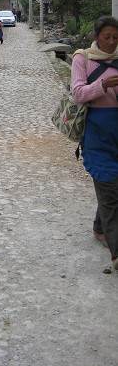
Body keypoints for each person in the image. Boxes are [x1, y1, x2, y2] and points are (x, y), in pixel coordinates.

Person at [71, 16, 118, 271]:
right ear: (97, 36)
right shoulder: (83, 58)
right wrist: (102, 85)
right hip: (97, 134)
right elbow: (78, 94)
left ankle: (100, 228)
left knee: (112, 188)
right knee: (109, 187)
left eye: (115, 38)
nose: (111, 42)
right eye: (106, 37)